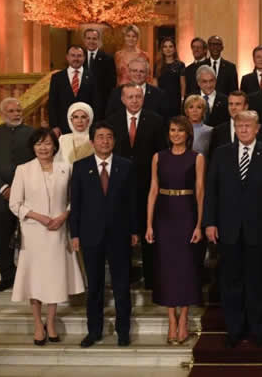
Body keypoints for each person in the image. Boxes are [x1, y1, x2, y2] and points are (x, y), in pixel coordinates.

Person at [204, 110, 262, 348]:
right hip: (228, 229)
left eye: (248, 125)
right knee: (230, 283)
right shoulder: (221, 153)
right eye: (239, 125)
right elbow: (211, 191)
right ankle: (235, 330)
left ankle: (258, 330)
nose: (243, 129)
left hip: (259, 229)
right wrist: (210, 222)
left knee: (257, 282)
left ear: (257, 128)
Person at [8, 128, 85, 345]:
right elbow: (15, 203)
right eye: (39, 144)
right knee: (34, 278)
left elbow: (74, 200)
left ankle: (50, 322)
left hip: (58, 232)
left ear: (55, 146)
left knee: (54, 278)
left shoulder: (66, 169)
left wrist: (64, 216)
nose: (43, 148)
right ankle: (37, 324)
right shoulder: (23, 170)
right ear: (33, 147)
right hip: (33, 232)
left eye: (48, 143)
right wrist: (38, 216)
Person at [70, 121, 139, 348]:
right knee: (95, 287)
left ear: (114, 141)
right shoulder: (80, 167)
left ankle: (123, 331)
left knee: (121, 286)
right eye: (100, 137)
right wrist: (75, 234)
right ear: (92, 141)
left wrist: (134, 230)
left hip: (120, 234)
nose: (105, 141)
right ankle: (94, 331)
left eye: (109, 136)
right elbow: (76, 203)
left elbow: (132, 201)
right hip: (90, 235)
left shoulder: (126, 166)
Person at [146, 116, 204, 345]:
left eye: (180, 130)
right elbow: (153, 190)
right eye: (172, 130)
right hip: (164, 214)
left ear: (188, 134)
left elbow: (200, 192)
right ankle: (171, 319)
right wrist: (149, 224)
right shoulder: (158, 157)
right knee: (166, 268)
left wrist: (199, 224)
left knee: (186, 267)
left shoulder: (197, 158)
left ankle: (184, 319)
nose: (176, 134)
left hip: (187, 213)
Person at [106, 83, 166, 289]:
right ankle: (124, 277)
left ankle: (151, 278)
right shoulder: (111, 121)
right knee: (122, 234)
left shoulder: (156, 121)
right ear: (123, 99)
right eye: (130, 97)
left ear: (143, 99)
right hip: (119, 188)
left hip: (148, 186)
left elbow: (160, 154)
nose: (134, 101)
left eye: (138, 97)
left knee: (149, 232)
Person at [0, 98, 34, 292]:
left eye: (18, 110)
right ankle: (8, 276)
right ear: (2, 114)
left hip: (28, 194)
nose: (16, 114)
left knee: (30, 236)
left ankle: (31, 276)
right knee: (1, 237)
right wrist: (3, 188)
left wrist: (21, 188)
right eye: (11, 111)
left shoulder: (32, 134)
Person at [48, 45, 98, 136]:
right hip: (63, 128)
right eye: (73, 55)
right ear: (67, 57)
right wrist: (54, 126)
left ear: (84, 58)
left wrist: (94, 127)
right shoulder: (57, 78)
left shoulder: (93, 77)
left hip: (87, 128)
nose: (76, 59)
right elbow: (52, 104)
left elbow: (97, 103)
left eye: (79, 56)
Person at [83, 28, 116, 120]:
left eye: (94, 38)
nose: (91, 41)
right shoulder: (78, 57)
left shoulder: (108, 59)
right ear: (84, 40)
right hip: (82, 104)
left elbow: (111, 84)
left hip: (101, 105)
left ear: (98, 40)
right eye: (89, 38)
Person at [210, 91, 249, 156]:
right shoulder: (218, 131)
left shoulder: (256, 130)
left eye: (237, 104)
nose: (233, 108)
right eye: (231, 104)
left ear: (246, 107)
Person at [155, 37, 186, 118]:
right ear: (162, 49)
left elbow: (183, 85)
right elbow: (155, 85)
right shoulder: (157, 65)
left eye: (170, 46)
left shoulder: (180, 65)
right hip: (161, 100)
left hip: (175, 100)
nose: (168, 49)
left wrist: (182, 100)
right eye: (165, 47)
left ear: (174, 49)